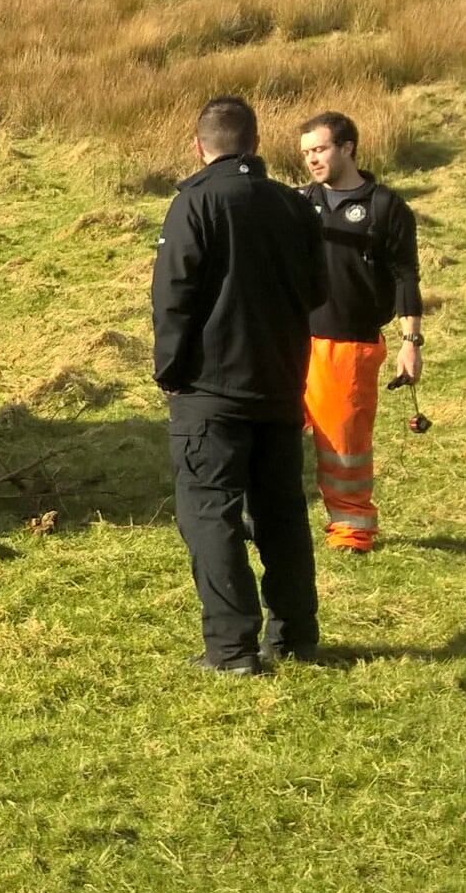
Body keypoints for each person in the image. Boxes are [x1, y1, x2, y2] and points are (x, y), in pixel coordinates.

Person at [151, 95, 326, 674]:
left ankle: (231, 647)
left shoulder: (193, 204)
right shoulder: (294, 207)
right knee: (282, 514)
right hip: (279, 383)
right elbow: (318, 293)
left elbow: (173, 300)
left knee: (208, 512)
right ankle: (296, 635)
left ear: (198, 146)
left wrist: (171, 374)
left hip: (210, 390)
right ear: (255, 143)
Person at [295, 111, 425, 554]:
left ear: (347, 148)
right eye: (306, 152)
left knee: (343, 449)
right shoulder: (297, 203)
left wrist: (411, 342)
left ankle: (352, 531)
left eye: (320, 149)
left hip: (349, 346)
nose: (312, 159)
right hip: (293, 341)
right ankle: (271, 523)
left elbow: (407, 275)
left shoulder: (385, 207)